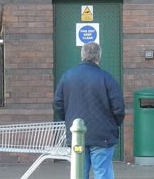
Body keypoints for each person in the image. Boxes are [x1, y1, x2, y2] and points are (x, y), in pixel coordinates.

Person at [53, 42, 125, 179]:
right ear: (99, 57)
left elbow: (58, 104)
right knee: (102, 173)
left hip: (76, 136)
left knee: (79, 172)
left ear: (82, 55)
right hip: (102, 135)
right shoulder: (106, 78)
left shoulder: (67, 77)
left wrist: (69, 122)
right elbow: (119, 108)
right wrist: (113, 125)